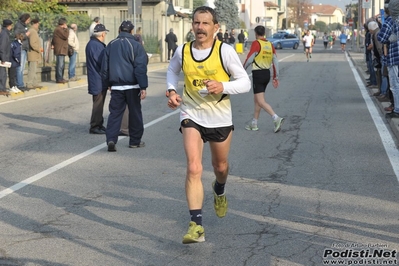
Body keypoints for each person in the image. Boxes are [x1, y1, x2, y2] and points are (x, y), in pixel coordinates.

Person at [166, 6, 251, 244]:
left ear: (216, 28)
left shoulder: (224, 51)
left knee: (220, 165)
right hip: (191, 113)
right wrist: (172, 91)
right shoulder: (182, 50)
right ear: (191, 25)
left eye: (205, 23)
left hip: (220, 118)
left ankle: (220, 189)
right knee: (194, 168)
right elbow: (172, 71)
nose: (200, 28)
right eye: (196, 23)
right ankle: (196, 225)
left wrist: (223, 86)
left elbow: (244, 83)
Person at [101, 20, 148, 151]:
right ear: (132, 31)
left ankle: (111, 139)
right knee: (135, 114)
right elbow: (140, 68)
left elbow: (104, 68)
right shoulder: (136, 45)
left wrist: (107, 84)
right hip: (132, 87)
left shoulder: (111, 45)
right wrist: (143, 86)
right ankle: (135, 141)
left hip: (116, 86)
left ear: (119, 31)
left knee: (115, 114)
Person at [243, 25, 284, 133]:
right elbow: (275, 61)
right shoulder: (269, 44)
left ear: (256, 33)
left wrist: (242, 70)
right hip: (266, 73)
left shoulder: (256, 43)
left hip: (258, 74)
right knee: (257, 99)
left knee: (260, 101)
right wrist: (275, 77)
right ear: (264, 33)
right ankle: (254, 123)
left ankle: (276, 118)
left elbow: (249, 59)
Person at [86, 23, 109, 134]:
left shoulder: (94, 44)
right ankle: (95, 126)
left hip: (97, 78)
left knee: (99, 103)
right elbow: (102, 62)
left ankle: (99, 123)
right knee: (98, 103)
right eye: (104, 33)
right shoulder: (96, 46)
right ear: (102, 34)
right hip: (98, 79)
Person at [378, 0, 399, 118]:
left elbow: (381, 37)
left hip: (394, 57)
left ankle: (397, 109)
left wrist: (389, 38)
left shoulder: (391, 20)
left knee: (395, 84)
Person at [14, 13, 30, 91]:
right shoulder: (18, 26)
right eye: (28, 20)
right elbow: (17, 36)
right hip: (21, 48)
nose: (29, 21)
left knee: (22, 67)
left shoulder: (24, 26)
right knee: (20, 67)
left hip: (25, 48)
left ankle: (21, 83)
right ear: (25, 19)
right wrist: (26, 35)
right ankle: (19, 84)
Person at [26, 18, 43, 90]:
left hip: (34, 54)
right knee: (32, 69)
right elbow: (32, 43)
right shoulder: (32, 31)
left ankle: (35, 83)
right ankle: (29, 83)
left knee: (34, 69)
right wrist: (38, 49)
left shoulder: (33, 31)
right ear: (36, 24)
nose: (38, 26)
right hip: (33, 53)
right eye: (38, 24)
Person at [52, 18, 69, 84]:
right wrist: (66, 29)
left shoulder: (59, 29)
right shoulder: (58, 29)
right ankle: (59, 78)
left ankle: (61, 77)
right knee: (60, 65)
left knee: (62, 65)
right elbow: (65, 36)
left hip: (61, 49)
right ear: (63, 23)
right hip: (60, 49)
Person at [0, 19, 13, 96]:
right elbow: (2, 47)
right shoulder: (4, 34)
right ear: (9, 26)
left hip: (3, 56)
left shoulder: (4, 33)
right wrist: (3, 58)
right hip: (3, 58)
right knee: (2, 74)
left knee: (3, 73)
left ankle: (2, 88)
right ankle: (1, 89)